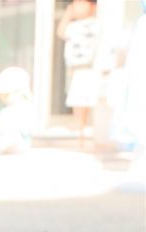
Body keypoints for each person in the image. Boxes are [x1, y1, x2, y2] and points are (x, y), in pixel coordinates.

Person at [58, 0, 101, 148]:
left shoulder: (96, 24)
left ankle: (90, 135)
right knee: (76, 102)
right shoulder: (73, 26)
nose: (77, 7)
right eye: (75, 4)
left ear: (93, 6)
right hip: (74, 69)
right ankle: (80, 134)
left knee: (88, 102)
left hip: (89, 68)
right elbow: (60, 32)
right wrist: (67, 16)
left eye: (82, 4)